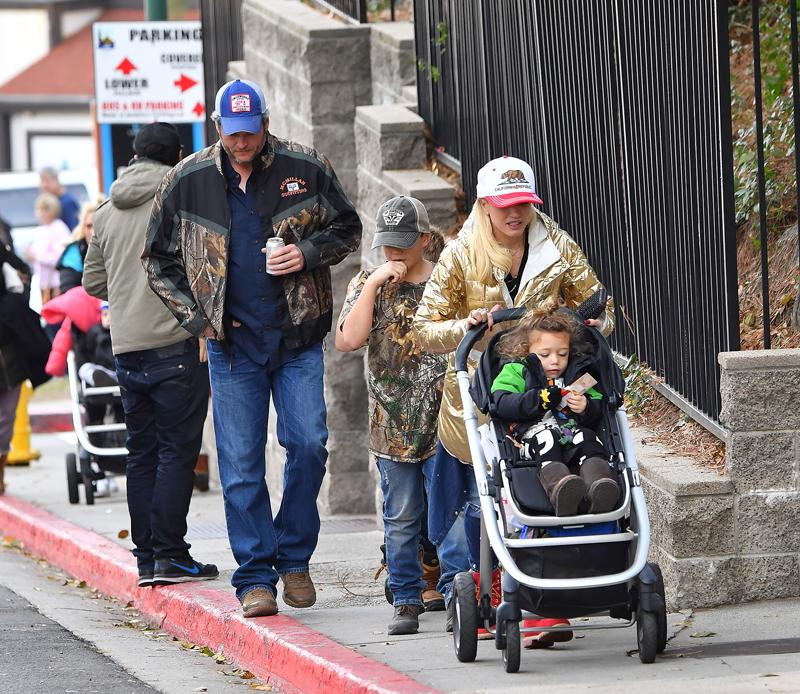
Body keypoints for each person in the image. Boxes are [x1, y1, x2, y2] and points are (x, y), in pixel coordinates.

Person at [142, 79, 362, 618]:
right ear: (218, 128)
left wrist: (306, 253)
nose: (243, 142)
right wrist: (196, 320)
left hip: (298, 336)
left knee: (308, 445)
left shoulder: (305, 167)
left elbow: (348, 228)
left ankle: (294, 558)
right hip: (230, 345)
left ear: (265, 122)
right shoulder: (187, 179)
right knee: (240, 465)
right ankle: (255, 577)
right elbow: (157, 259)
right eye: (233, 133)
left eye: (251, 131)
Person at [413, 155, 614, 647]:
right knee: (490, 501)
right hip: (487, 397)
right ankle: (491, 588)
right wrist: (466, 326)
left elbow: (595, 303)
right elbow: (423, 328)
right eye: (505, 206)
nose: (515, 215)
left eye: (523, 204)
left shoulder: (555, 243)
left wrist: (584, 328)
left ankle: (546, 595)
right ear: (483, 206)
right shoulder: (462, 254)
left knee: (542, 486)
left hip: (551, 389)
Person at [83, 121, 216, 589]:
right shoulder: (179, 197)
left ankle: (147, 558)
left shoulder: (104, 211)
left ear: (135, 155)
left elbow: (92, 283)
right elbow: (204, 266)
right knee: (176, 452)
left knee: (140, 451)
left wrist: (126, 293)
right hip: (174, 343)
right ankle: (171, 555)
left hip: (127, 349)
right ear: (176, 153)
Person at [336, 196, 447, 635]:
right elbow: (348, 340)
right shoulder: (370, 281)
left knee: (448, 511)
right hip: (392, 425)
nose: (394, 253)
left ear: (423, 238)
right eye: (387, 245)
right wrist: (373, 284)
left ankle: (458, 588)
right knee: (401, 515)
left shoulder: (444, 282)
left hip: (443, 422)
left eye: (403, 244)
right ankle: (405, 595)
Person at [491, 302, 619, 516]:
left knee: (588, 438)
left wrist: (586, 406)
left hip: (571, 431)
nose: (555, 361)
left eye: (562, 354)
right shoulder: (517, 370)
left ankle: (600, 486)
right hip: (532, 435)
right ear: (526, 350)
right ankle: (561, 489)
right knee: (548, 438)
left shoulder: (577, 374)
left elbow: (600, 404)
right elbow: (502, 402)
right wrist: (537, 400)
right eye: (545, 355)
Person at [0, 241, 50, 494]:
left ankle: (0, 471)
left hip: (8, 351)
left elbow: (23, 278)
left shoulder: (4, 255)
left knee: (7, 417)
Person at [26, 193, 71, 304]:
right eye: (39, 209)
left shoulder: (59, 228)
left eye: (44, 210)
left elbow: (60, 257)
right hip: (44, 283)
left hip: (56, 283)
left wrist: (37, 256)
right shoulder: (41, 230)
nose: (41, 214)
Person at [58, 201, 99, 293]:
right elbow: (68, 291)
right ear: (83, 228)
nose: (93, 232)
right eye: (89, 226)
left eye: (97, 226)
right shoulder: (73, 253)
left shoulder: (116, 249)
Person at [40, 167, 80, 231]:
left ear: (56, 179)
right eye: (42, 181)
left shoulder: (67, 202)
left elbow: (73, 230)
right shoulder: (53, 202)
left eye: (47, 181)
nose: (44, 185)